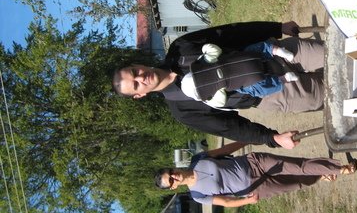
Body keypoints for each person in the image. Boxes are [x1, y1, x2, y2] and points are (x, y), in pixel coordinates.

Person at [113, 21, 324, 149]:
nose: (141, 78)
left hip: (274, 53)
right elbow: (229, 127)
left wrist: (276, 28)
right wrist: (272, 138)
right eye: (136, 85)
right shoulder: (182, 110)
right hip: (275, 94)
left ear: (137, 65)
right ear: (139, 95)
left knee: (338, 54)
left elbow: (229, 32)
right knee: (337, 95)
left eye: (135, 72)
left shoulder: (180, 48)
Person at [154, 140, 357, 207]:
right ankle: (320, 175)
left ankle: (340, 169)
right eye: (171, 180)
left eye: (171, 172)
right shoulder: (198, 195)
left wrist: (247, 139)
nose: (174, 176)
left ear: (173, 168)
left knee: (297, 166)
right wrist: (246, 201)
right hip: (254, 188)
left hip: (254, 163)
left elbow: (225, 150)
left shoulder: (198, 159)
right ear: (173, 187)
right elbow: (226, 202)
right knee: (296, 183)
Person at [180, 41, 300, 108]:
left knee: (258, 90)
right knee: (259, 48)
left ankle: (284, 78)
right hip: (246, 57)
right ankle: (278, 51)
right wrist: (203, 52)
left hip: (248, 81)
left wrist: (208, 101)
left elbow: (221, 102)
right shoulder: (206, 61)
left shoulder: (212, 93)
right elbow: (215, 49)